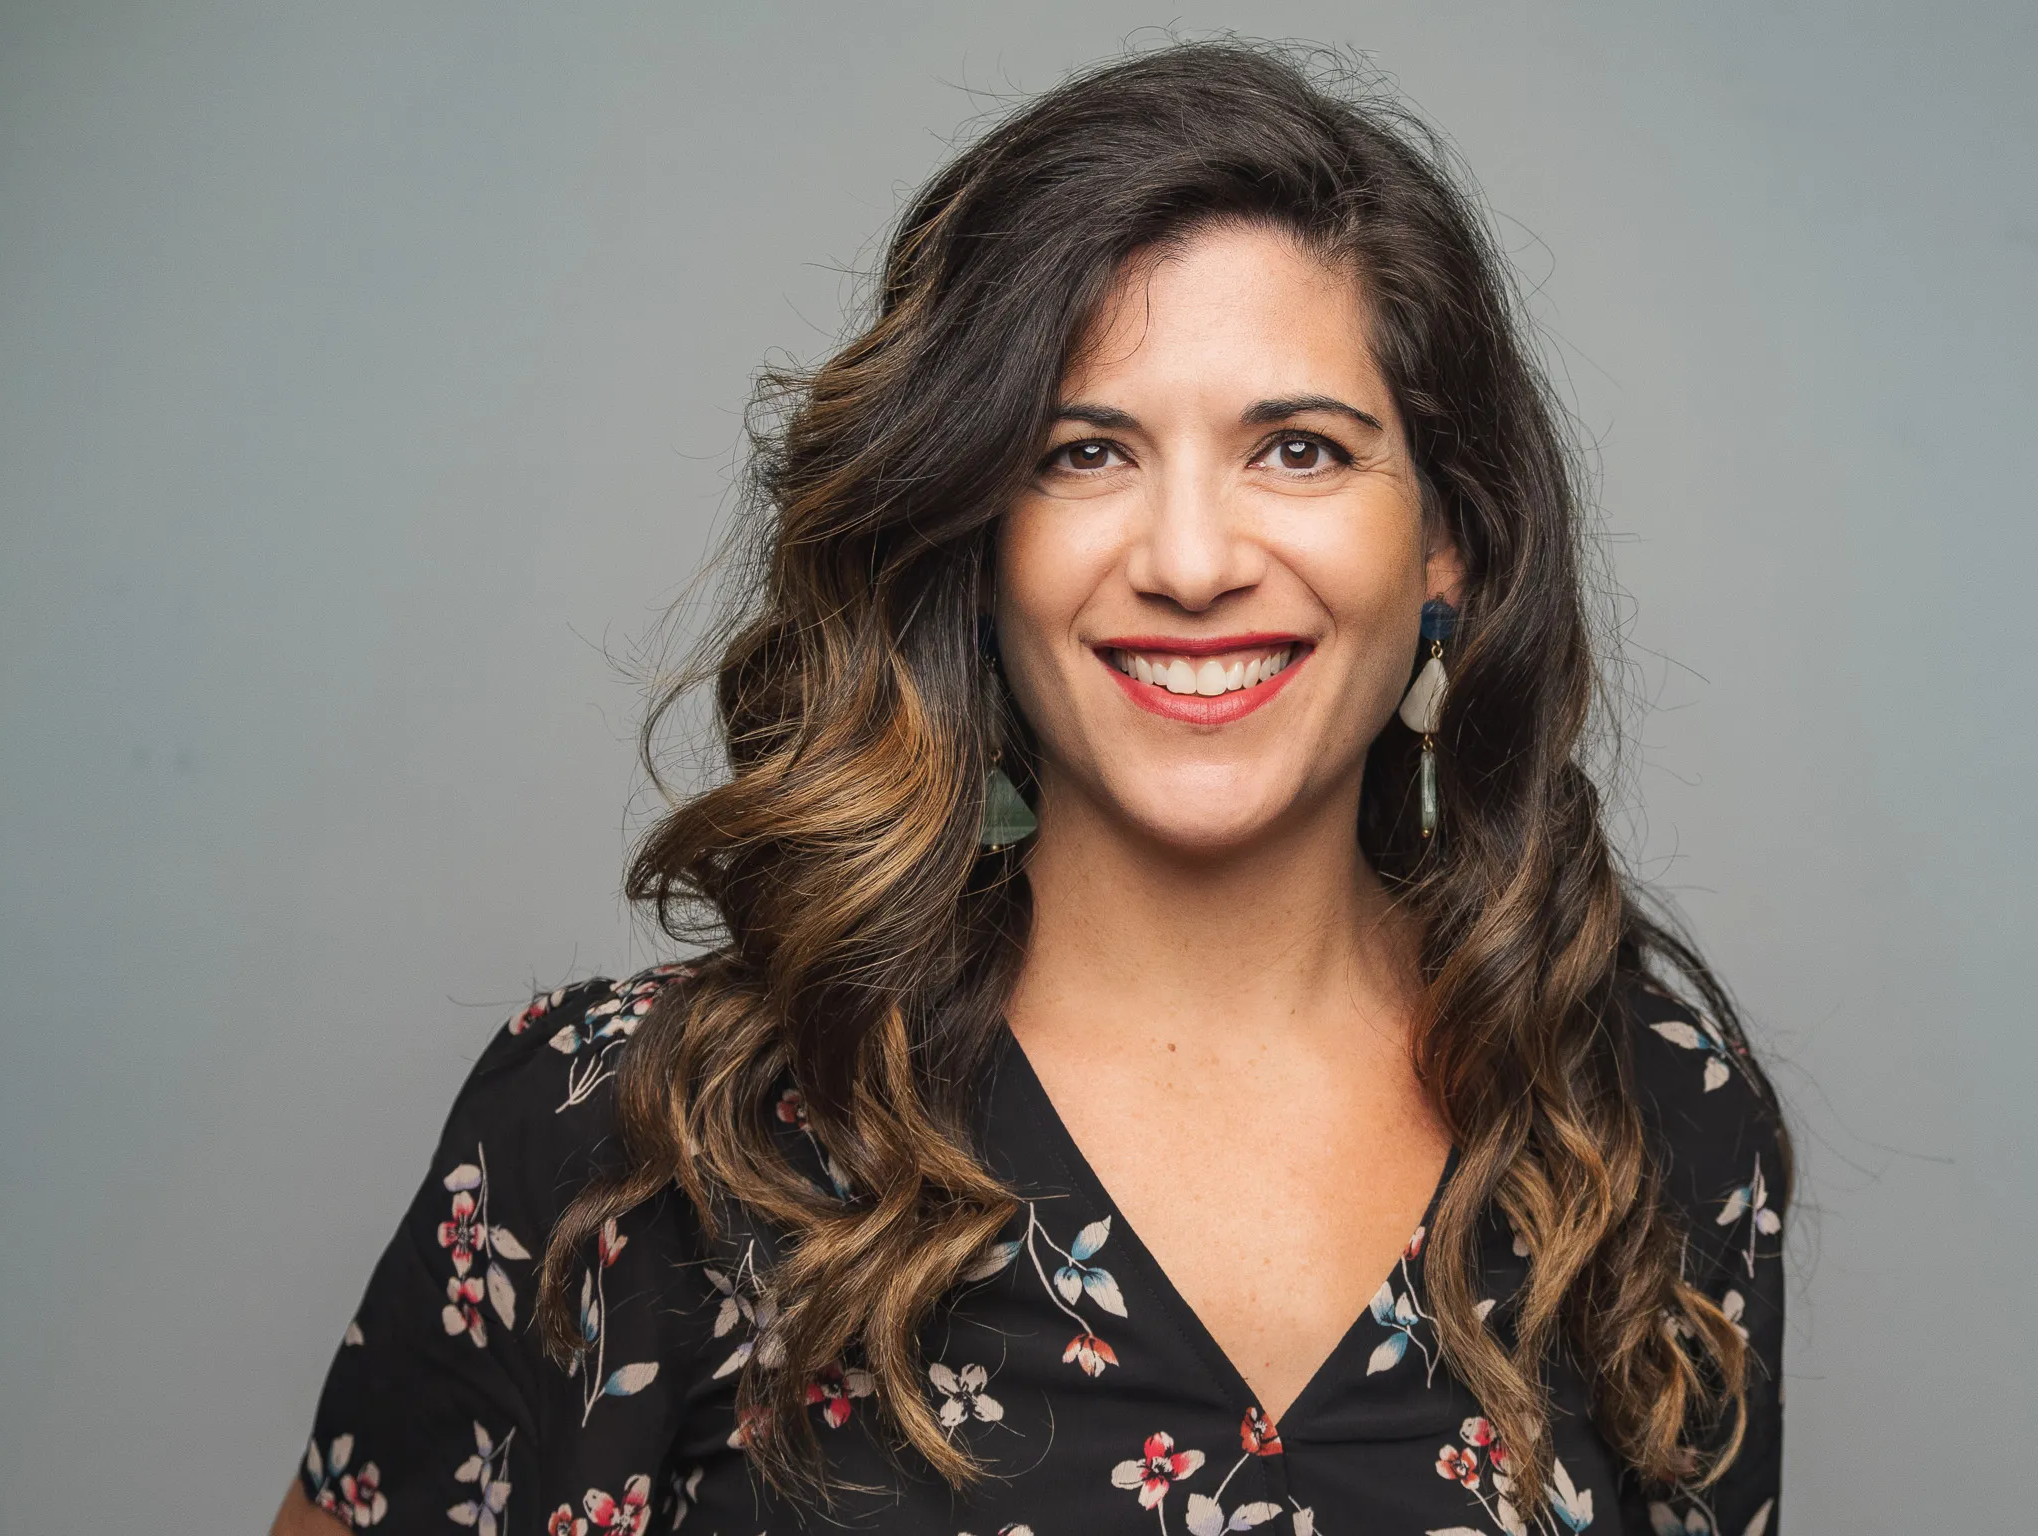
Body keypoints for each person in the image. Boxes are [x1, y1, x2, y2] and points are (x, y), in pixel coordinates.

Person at [274, 41, 1786, 1536]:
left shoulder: (1638, 1119)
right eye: (1084, 455)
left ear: (1448, 543)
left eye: (1302, 450)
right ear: (975, 540)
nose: (1192, 562)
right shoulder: (637, 1136)